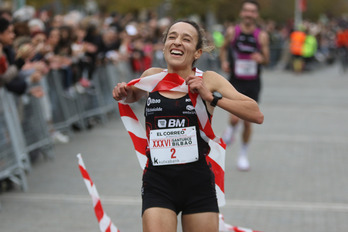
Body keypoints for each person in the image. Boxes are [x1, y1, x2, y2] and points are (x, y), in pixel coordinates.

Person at [113, 19, 263, 232]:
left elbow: (256, 113)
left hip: (198, 184)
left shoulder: (209, 80)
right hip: (158, 183)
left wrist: (211, 97)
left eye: (186, 39)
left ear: (197, 52)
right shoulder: (151, 77)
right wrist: (122, 92)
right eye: (172, 37)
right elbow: (131, 95)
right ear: (164, 45)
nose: (177, 42)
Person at [220, 0, 269, 171]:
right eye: (246, 10)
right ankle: (230, 129)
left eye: (252, 11)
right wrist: (224, 61)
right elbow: (223, 48)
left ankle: (243, 155)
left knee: (248, 122)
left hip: (253, 82)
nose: (249, 14)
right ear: (242, 13)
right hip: (235, 79)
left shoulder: (261, 35)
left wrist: (261, 59)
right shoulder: (233, 32)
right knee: (235, 117)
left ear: (256, 15)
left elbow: (267, 58)